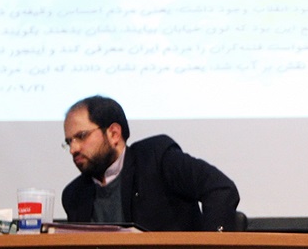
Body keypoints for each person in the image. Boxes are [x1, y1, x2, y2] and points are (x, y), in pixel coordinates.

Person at [61, 95, 240, 231]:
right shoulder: (74, 195)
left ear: (114, 133)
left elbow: (220, 188)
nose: (73, 149)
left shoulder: (157, 158)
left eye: (81, 136)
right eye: (69, 142)